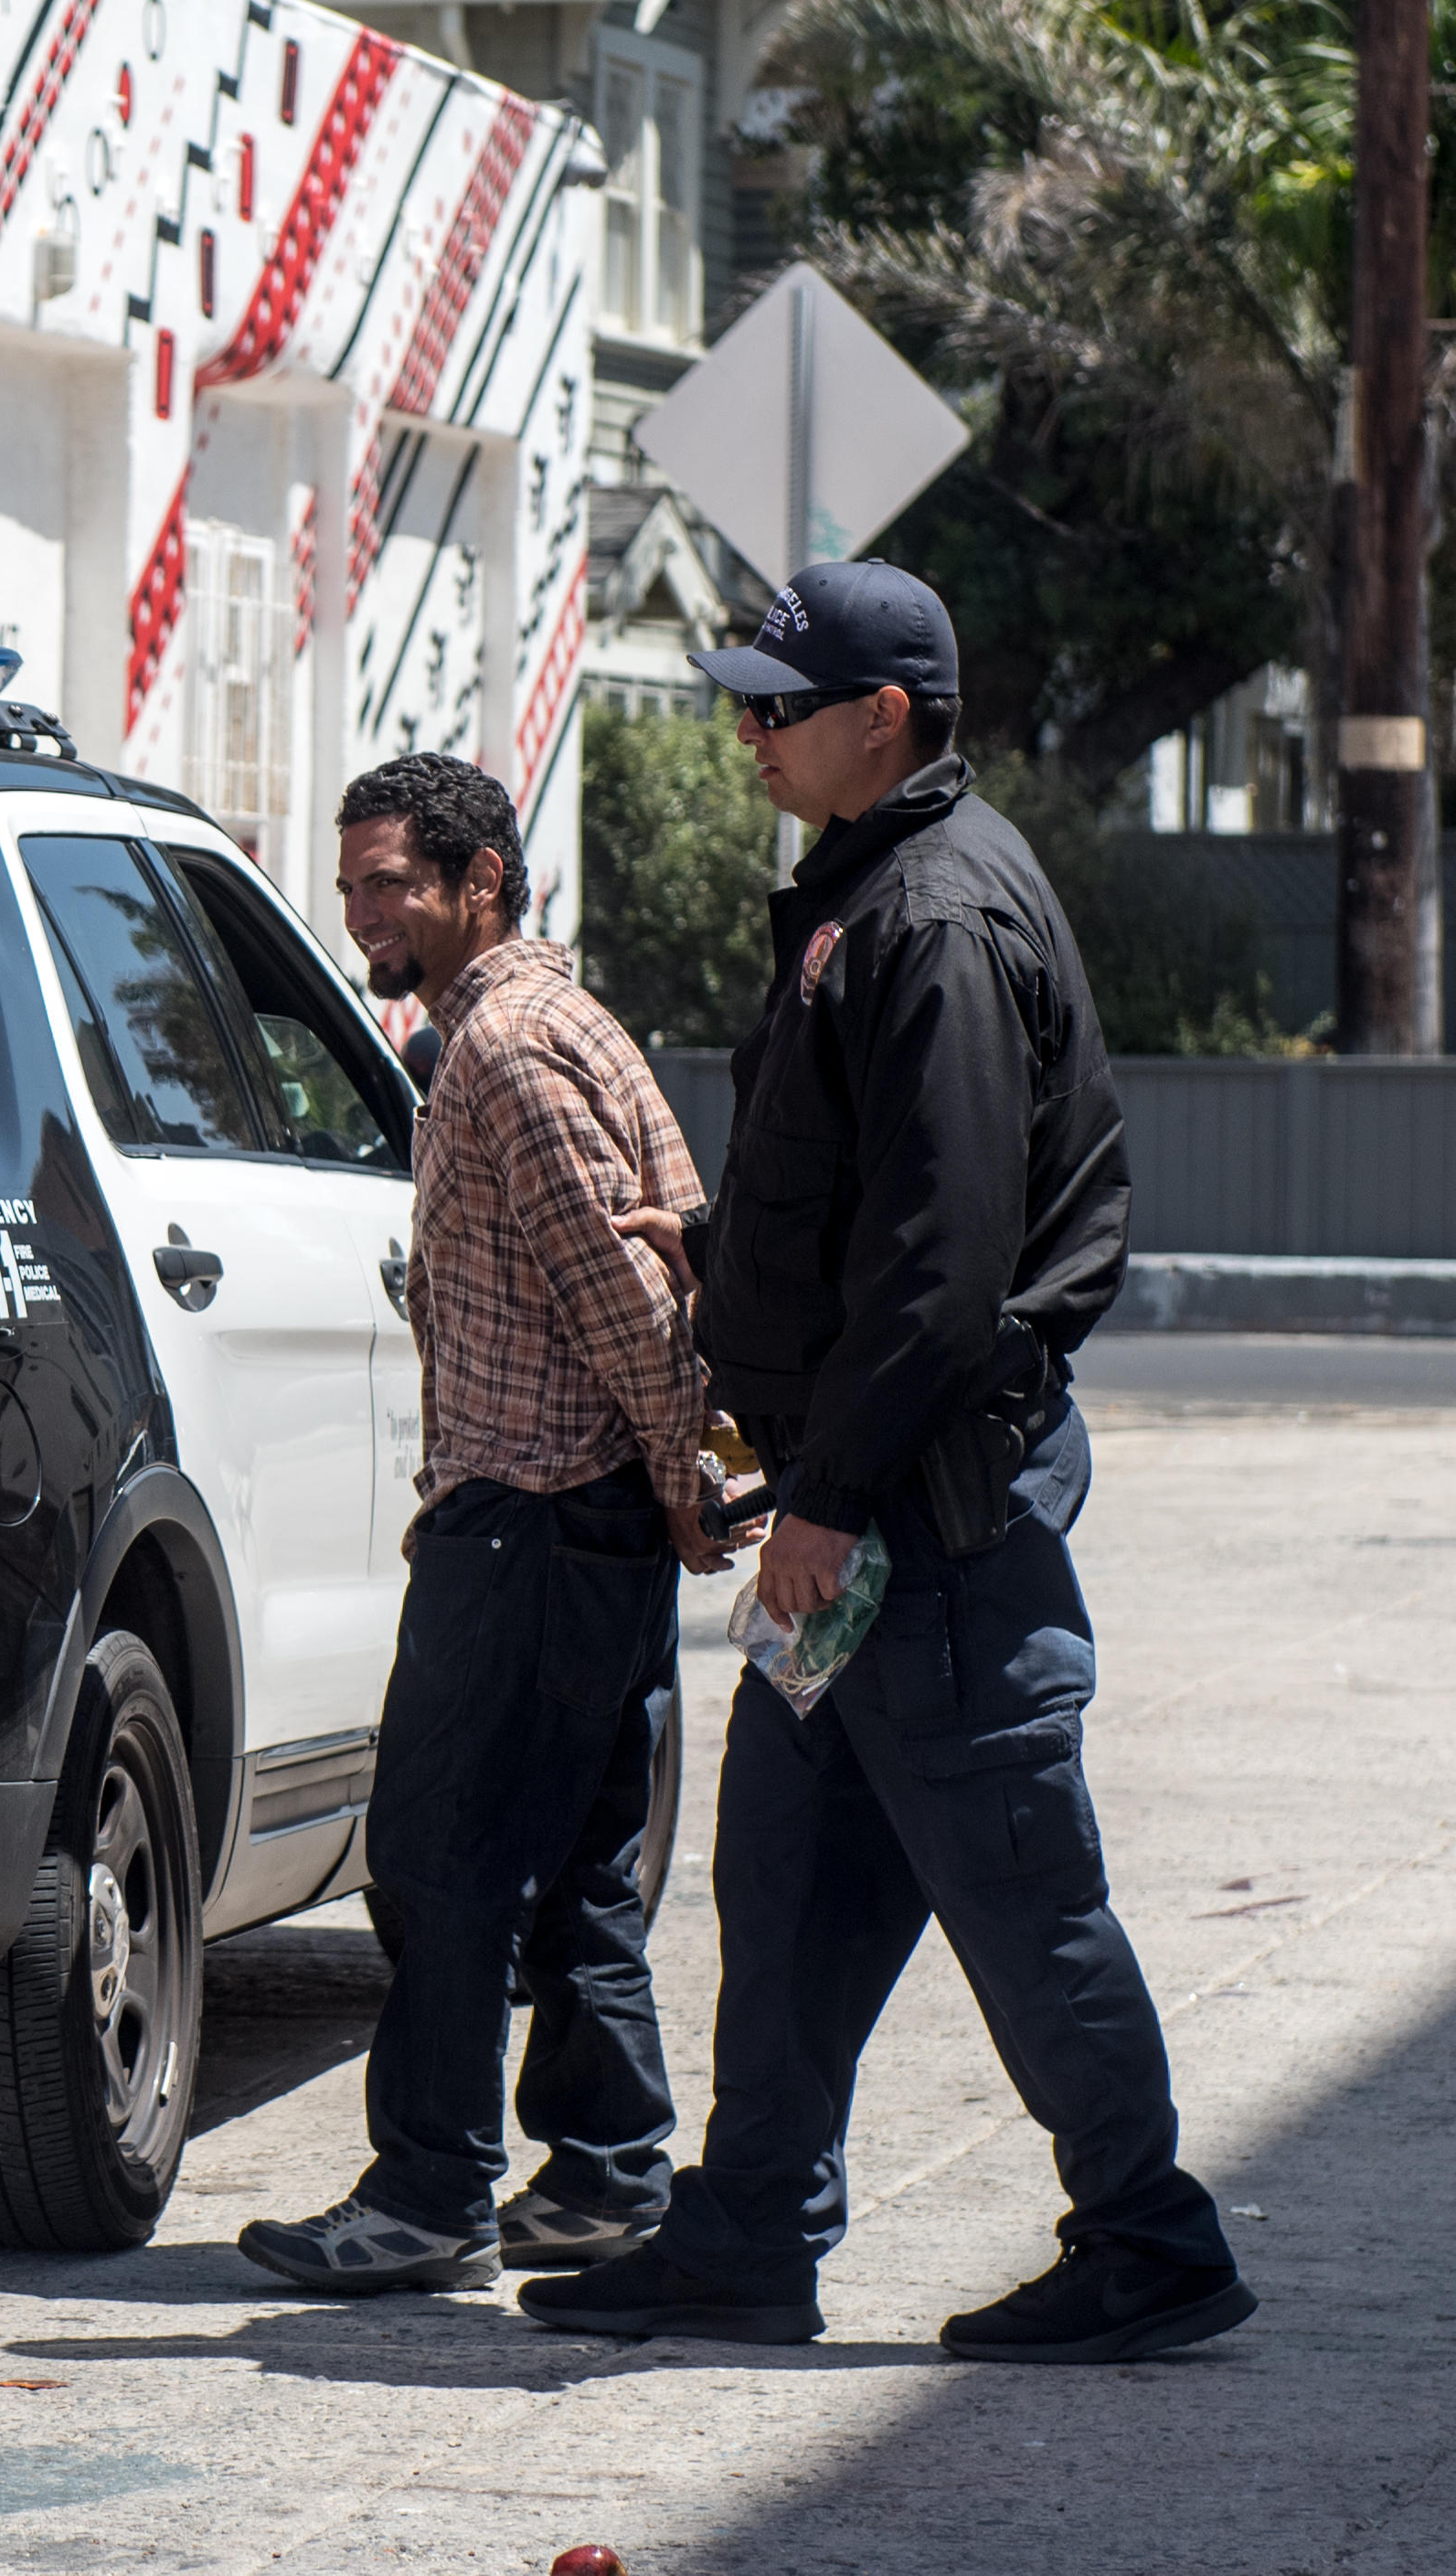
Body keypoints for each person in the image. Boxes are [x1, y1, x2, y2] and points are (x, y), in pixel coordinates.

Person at [527, 559, 1254, 2363]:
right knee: (774, 1885)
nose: (745, 733)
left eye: (775, 706)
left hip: (912, 1534)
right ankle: (745, 2234)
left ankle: (1149, 2238)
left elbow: (936, 1267)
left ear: (883, 718)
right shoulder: (864, 888)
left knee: (1019, 1891)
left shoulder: (928, 910)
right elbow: (838, 1222)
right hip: (840, 1534)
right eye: (744, 701)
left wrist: (828, 1494)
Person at [239, 753, 732, 2297]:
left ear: (479, 883)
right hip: (577, 1519)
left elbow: (623, 1287)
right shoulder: (565, 1017)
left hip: (530, 1512)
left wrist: (678, 1466)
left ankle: (430, 2188)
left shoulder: (502, 1052)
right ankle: (599, 2176)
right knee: (578, 1855)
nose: (362, 912)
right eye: (351, 884)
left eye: (390, 882)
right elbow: (676, 1222)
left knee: (438, 1857)